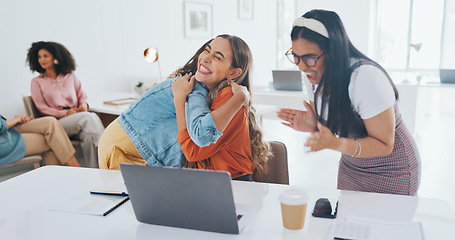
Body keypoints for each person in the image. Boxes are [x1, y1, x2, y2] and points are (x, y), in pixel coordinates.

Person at [277, 10, 420, 195]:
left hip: (392, 170)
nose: (302, 66)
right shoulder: (313, 74)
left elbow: (385, 144)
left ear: (333, 52)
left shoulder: (365, 78)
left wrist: (335, 143)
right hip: (352, 166)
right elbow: (327, 126)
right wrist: (314, 125)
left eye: (310, 58)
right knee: (347, 220)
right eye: (295, 56)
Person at [98, 34, 271, 181]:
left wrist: (240, 98)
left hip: (228, 182)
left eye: (218, 57)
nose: (206, 58)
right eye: (207, 50)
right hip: (123, 146)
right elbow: (195, 147)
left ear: (233, 73)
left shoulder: (225, 95)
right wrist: (180, 99)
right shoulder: (194, 88)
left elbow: (195, 147)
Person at [26, 41, 105, 168]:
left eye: (45, 56)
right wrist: (65, 113)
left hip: (78, 119)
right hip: (57, 124)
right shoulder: (36, 82)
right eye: (39, 57)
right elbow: (41, 108)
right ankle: (108, 148)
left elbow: (82, 96)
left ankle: (96, 171)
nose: (42, 60)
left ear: (55, 57)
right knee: (89, 117)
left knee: (89, 136)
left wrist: (84, 104)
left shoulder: (70, 76)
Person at [1, 113, 80, 167]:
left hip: (7, 130)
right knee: (51, 140)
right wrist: (17, 118)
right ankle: (76, 170)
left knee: (50, 122)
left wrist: (17, 120)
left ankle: (73, 172)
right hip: (3, 141)